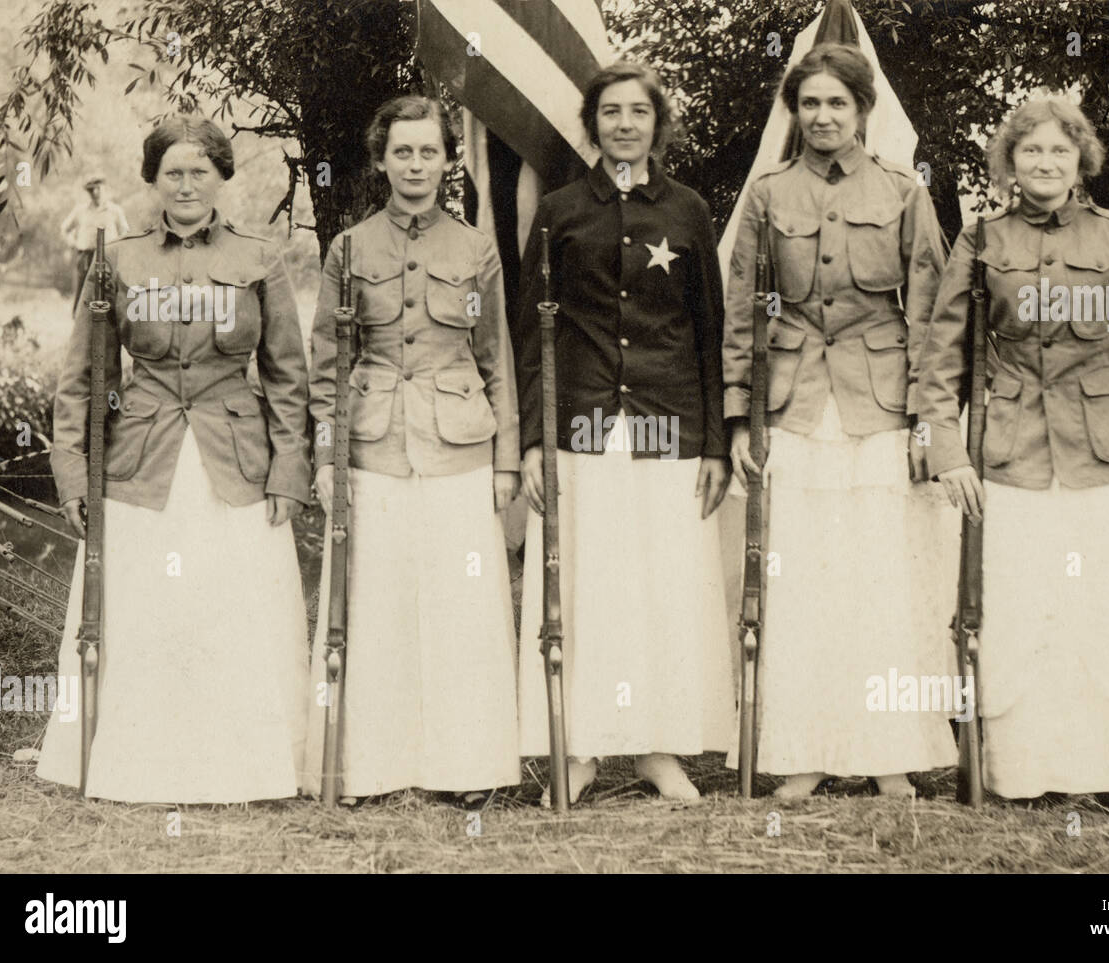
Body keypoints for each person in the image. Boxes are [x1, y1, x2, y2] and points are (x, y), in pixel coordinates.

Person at [914, 96, 1109, 817]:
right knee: (1018, 609)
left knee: (1107, 609)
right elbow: (940, 359)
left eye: (1059, 153)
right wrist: (947, 449)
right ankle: (1023, 774)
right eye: (1030, 152)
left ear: (1080, 162)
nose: (1045, 164)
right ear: (1009, 163)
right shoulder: (979, 242)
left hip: (1106, 454)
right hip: (1007, 453)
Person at [39, 116, 311, 803]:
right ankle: (137, 762)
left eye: (199, 171)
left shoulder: (258, 256)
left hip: (235, 457)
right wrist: (73, 471)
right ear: (152, 181)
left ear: (222, 177)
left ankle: (243, 765)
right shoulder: (119, 259)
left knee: (234, 610)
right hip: (140, 458)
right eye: (172, 173)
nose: (186, 185)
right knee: (148, 614)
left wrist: (288, 470)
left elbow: (287, 376)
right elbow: (82, 376)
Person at [723, 42, 960, 800]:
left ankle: (890, 751)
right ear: (795, 111)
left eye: (838, 103)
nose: (823, 116)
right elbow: (740, 317)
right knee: (802, 585)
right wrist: (737, 417)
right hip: (792, 407)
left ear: (863, 111)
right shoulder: (768, 195)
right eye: (810, 103)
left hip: (882, 405)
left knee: (881, 582)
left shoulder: (903, 192)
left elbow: (930, 316)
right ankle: (806, 753)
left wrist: (928, 421)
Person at [514, 61, 732, 804]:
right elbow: (528, 334)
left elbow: (711, 331)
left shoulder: (690, 212)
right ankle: (580, 751)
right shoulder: (561, 211)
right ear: (593, 123)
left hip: (668, 423)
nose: (625, 124)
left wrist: (715, 444)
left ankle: (655, 748)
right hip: (583, 422)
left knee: (663, 586)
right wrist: (532, 440)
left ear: (657, 122)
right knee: (589, 586)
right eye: (611, 112)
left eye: (638, 111)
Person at [300, 96, 521, 806]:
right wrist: (327, 459)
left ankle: (467, 767)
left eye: (429, 152)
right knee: (377, 607)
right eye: (403, 152)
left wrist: (509, 459)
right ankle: (370, 767)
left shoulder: (475, 247)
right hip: (372, 444)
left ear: (449, 159)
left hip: (460, 444)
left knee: (462, 608)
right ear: (382, 159)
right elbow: (327, 363)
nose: (416, 165)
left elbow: (497, 357)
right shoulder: (350, 248)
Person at [60, 173, 129, 310]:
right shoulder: (80, 210)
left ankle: (106, 326)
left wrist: (118, 252)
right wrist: (74, 243)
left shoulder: (115, 211)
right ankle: (79, 324)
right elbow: (64, 228)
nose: (95, 193)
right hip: (85, 256)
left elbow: (125, 233)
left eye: (98, 188)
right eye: (91, 190)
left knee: (107, 292)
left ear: (105, 189)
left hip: (107, 257)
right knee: (83, 291)